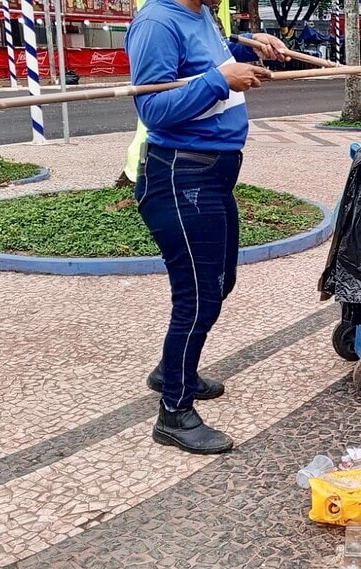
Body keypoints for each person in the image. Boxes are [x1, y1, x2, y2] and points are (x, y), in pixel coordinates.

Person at [125, 0, 288, 455]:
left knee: (222, 280)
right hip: (182, 176)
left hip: (214, 174)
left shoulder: (202, 14)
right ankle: (173, 412)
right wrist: (221, 79)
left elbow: (205, 61)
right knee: (198, 296)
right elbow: (153, 109)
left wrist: (250, 51)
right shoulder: (157, 22)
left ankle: (170, 372)